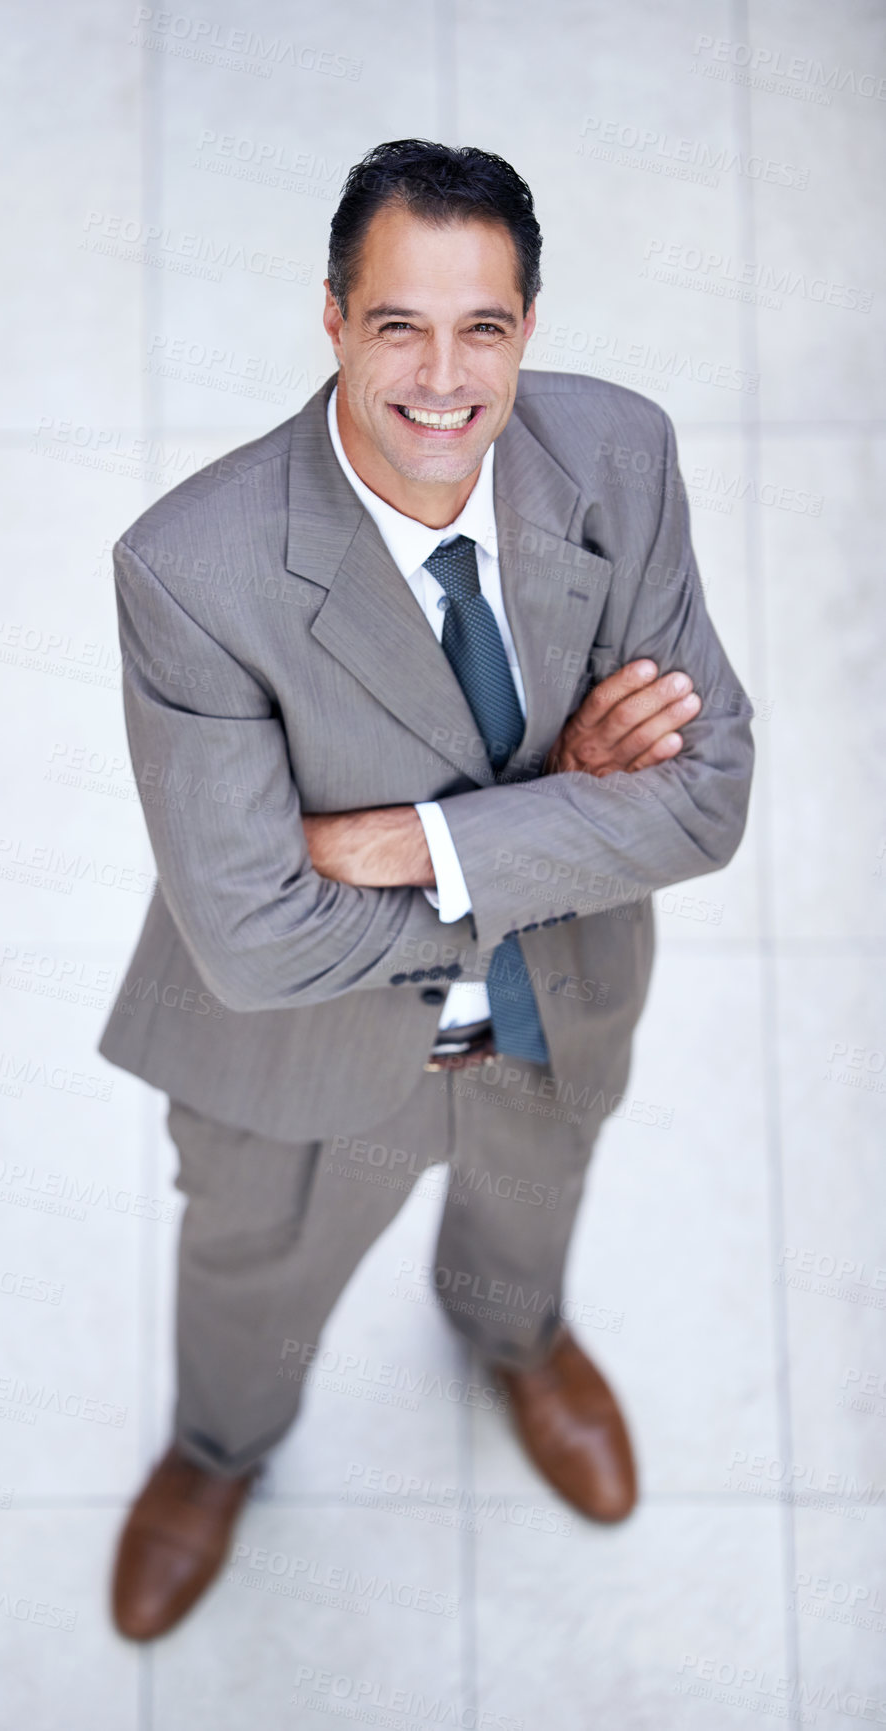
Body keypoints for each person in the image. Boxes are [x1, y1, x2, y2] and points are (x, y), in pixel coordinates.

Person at [97, 139, 754, 1641]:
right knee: (253, 1271)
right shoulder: (191, 571)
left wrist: (418, 840)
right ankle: (220, 1450)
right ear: (332, 317)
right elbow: (256, 939)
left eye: (485, 328)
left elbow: (706, 798)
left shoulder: (620, 457)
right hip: (300, 1048)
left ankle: (514, 1337)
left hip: (554, 998)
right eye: (399, 324)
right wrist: (571, 809)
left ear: (529, 325)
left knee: (536, 1201)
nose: (443, 381)